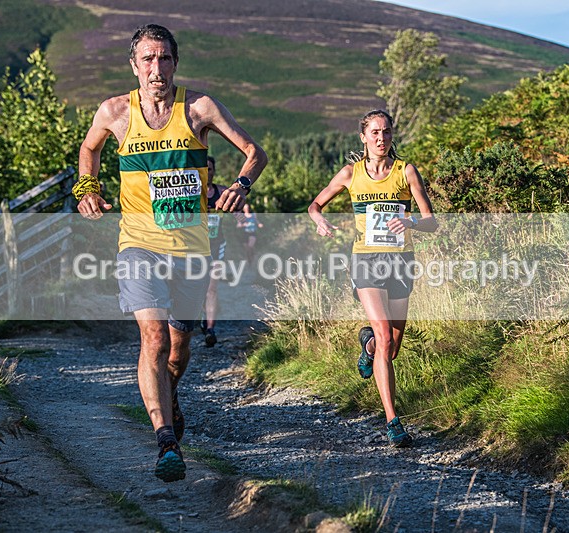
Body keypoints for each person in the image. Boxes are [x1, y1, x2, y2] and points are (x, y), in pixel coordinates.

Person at [75, 24, 267, 482]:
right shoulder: (115, 112)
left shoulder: (199, 108)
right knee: (154, 339)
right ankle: (165, 441)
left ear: (175, 63)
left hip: (192, 248)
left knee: (179, 349)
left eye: (164, 58)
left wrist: (240, 185)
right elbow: (89, 148)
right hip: (139, 243)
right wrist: (87, 187)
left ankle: (168, 394)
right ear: (134, 65)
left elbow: (254, 152)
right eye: (147, 59)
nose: (156, 68)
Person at [308, 109, 437, 448]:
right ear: (363, 137)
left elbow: (431, 221)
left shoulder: (405, 171)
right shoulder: (351, 173)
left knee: (390, 346)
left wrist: (410, 224)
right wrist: (320, 221)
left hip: (400, 262)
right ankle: (393, 421)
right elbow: (315, 205)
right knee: (384, 333)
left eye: (387, 132)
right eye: (375, 132)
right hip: (366, 260)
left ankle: (367, 346)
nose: (382, 138)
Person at [201, 155, 227, 347]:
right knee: (194, 286)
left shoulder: (222, 192)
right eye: (204, 168)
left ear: (214, 171)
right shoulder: (192, 193)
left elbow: (239, 212)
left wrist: (240, 217)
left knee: (211, 288)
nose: (207, 172)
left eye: (210, 169)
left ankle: (210, 328)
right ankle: (201, 317)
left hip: (217, 245)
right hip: (192, 246)